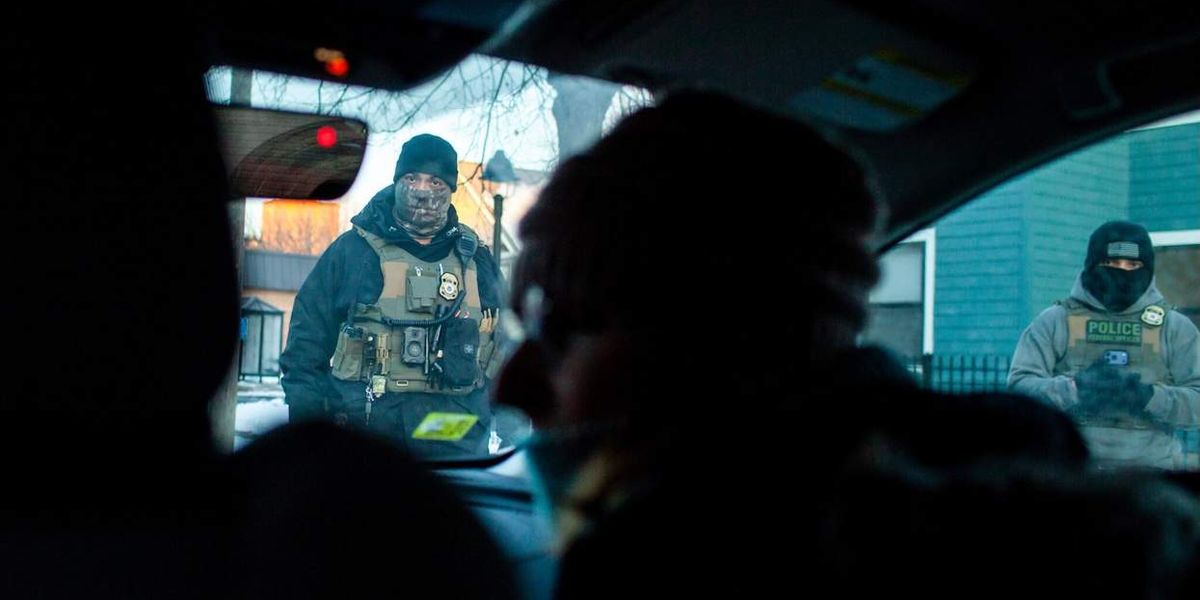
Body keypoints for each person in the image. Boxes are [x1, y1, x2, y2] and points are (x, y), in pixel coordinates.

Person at [494, 90, 1094, 598]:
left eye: (557, 328)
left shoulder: (656, 560)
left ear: (717, 329)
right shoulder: (1039, 489)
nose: (508, 388)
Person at [281, 133, 505, 458]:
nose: (422, 191)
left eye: (435, 182)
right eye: (412, 178)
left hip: (455, 441)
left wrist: (512, 426)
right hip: (368, 436)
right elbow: (305, 349)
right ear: (397, 180)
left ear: (451, 189)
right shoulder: (353, 252)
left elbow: (510, 346)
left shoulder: (476, 259)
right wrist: (307, 427)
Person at [1009, 221, 1200, 469]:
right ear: (1092, 265)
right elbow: (1019, 390)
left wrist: (1149, 396)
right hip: (1074, 473)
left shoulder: (1174, 327)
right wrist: (1075, 389)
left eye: (1133, 265)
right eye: (1111, 263)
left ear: (1148, 269)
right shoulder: (1056, 321)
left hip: (1148, 475)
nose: (1122, 273)